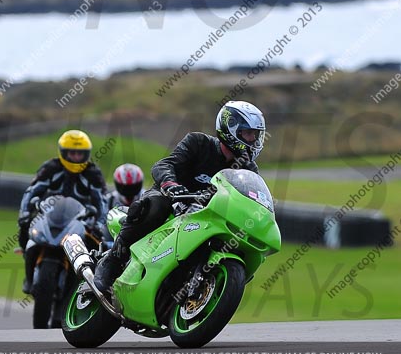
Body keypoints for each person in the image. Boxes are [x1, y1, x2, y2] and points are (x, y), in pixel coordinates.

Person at [94, 101, 265, 295]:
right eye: (248, 133)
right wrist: (171, 186)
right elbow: (163, 165)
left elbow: (251, 196)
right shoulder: (198, 143)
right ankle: (113, 260)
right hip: (172, 199)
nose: (253, 140)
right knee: (154, 206)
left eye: (255, 135)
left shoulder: (248, 169)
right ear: (231, 129)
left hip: (206, 213)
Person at [17, 129, 108, 294]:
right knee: (25, 225)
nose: (76, 158)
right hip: (50, 216)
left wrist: (101, 223)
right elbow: (31, 191)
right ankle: (27, 264)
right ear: (63, 152)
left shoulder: (93, 173)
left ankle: (89, 283)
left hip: (81, 220)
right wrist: (24, 212)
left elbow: (102, 201)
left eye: (80, 154)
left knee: (98, 242)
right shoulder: (50, 168)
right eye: (72, 154)